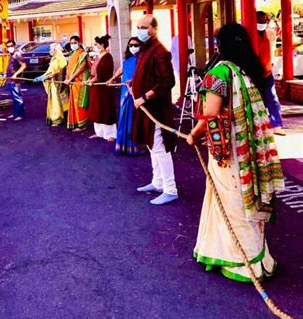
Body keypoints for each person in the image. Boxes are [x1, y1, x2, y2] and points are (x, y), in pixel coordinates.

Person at [187, 23, 284, 282]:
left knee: (233, 202)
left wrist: (193, 134)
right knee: (247, 197)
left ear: (220, 46)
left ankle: (242, 263)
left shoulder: (220, 72)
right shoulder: (247, 71)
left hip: (228, 152)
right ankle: (259, 258)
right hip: (247, 148)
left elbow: (210, 112)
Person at [131, 15, 178, 205]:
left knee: (160, 148)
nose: (140, 30)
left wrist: (144, 97)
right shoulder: (146, 49)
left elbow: (168, 81)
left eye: (144, 27)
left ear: (154, 29)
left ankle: (170, 188)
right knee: (152, 147)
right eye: (138, 26)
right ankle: (157, 182)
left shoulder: (160, 51)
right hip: (145, 108)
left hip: (155, 109)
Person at [107, 36, 145, 155]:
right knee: (124, 116)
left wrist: (134, 82)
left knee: (134, 119)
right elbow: (121, 70)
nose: (133, 47)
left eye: (135, 45)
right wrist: (112, 79)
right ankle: (123, 146)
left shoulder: (143, 60)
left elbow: (144, 75)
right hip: (125, 92)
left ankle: (135, 146)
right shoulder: (127, 60)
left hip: (136, 92)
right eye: (131, 45)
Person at [256, 10, 285, 135]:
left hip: (267, 71)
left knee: (272, 98)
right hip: (253, 72)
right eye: (259, 21)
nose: (262, 23)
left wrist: (269, 67)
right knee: (256, 100)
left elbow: (271, 51)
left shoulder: (269, 33)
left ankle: (276, 124)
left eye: (264, 20)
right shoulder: (250, 34)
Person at [86, 34, 117, 141]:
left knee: (105, 110)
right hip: (95, 87)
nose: (94, 46)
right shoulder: (98, 56)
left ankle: (111, 134)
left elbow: (103, 73)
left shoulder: (107, 57)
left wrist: (92, 80)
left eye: (96, 44)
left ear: (102, 45)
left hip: (103, 87)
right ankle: (99, 132)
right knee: (96, 110)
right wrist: (89, 80)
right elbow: (93, 72)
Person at [34, 43, 69, 125]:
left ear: (55, 49)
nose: (50, 50)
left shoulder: (58, 58)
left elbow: (54, 71)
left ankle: (57, 119)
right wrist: (43, 76)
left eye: (51, 49)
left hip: (57, 83)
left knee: (56, 101)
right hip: (56, 82)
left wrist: (43, 77)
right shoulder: (56, 57)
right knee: (61, 101)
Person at [64, 35, 90, 131]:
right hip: (72, 82)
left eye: (75, 43)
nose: (73, 45)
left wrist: (71, 78)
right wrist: (67, 78)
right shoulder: (71, 54)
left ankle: (82, 125)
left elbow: (81, 68)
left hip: (79, 81)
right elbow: (69, 68)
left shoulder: (83, 54)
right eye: (71, 43)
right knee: (73, 103)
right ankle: (75, 123)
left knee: (79, 103)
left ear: (79, 43)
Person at [6, 39, 26, 120]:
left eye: (11, 46)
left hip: (15, 80)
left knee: (18, 97)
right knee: (14, 98)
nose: (9, 48)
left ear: (14, 46)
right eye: (8, 46)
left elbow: (23, 65)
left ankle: (20, 115)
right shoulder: (12, 55)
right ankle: (15, 114)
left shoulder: (17, 54)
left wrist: (16, 74)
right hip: (10, 80)